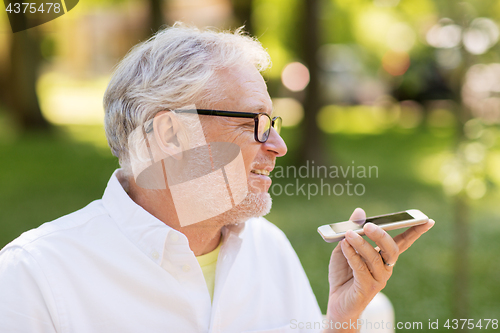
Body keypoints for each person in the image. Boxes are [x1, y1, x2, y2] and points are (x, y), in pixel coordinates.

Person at [0, 24, 434, 333]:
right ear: (170, 133)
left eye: (274, 122)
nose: (279, 146)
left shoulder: (269, 248)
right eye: (255, 124)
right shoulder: (34, 278)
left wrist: (341, 322)